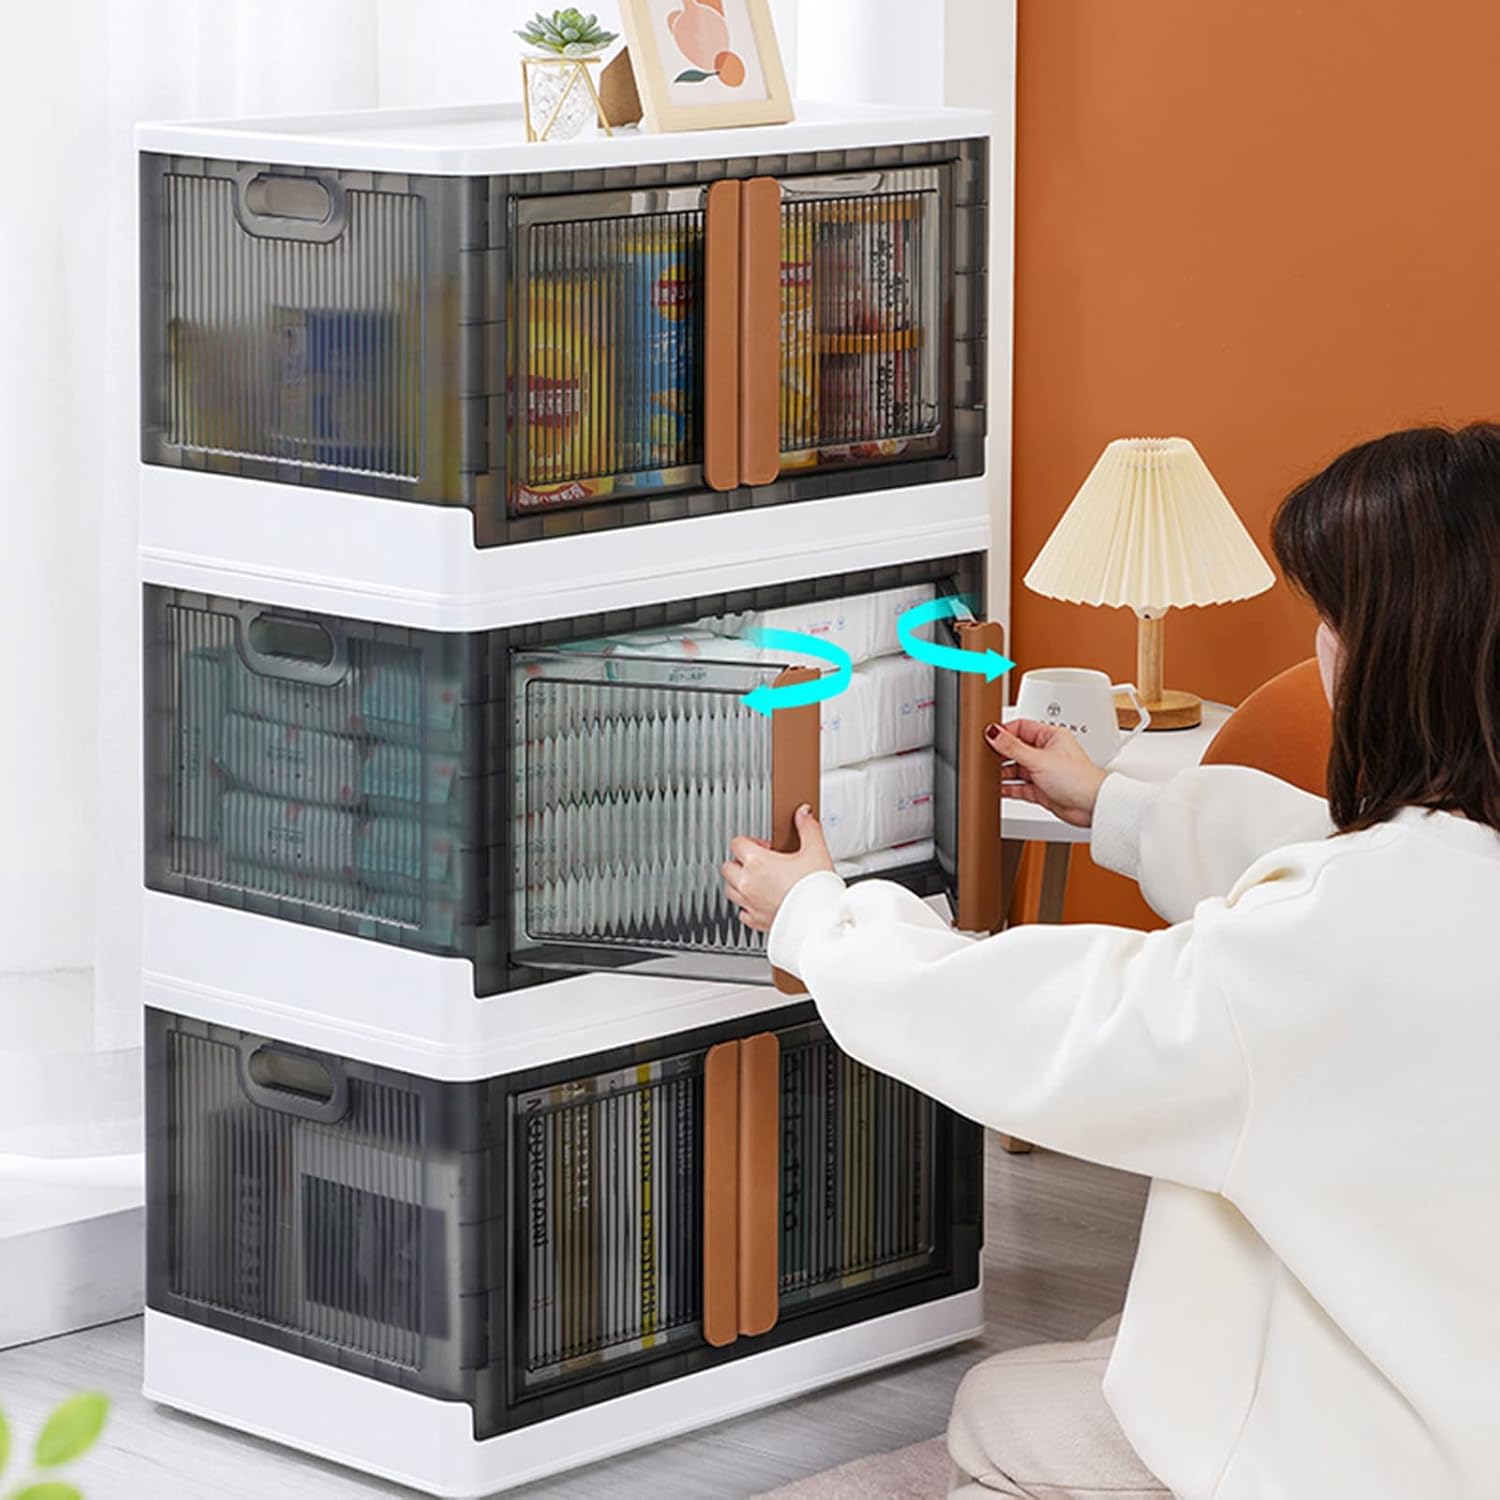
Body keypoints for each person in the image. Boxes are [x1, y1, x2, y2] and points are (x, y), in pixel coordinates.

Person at [720, 424, 1500, 1500]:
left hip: (1404, 1457)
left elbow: (1051, 1023)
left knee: (1000, 1412)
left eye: (1332, 620)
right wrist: (1113, 803)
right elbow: (1338, 866)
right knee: (1139, 1338)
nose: (1320, 651)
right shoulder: (1434, 882)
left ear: (1401, 655)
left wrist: (819, 917)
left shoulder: (1336, 943)